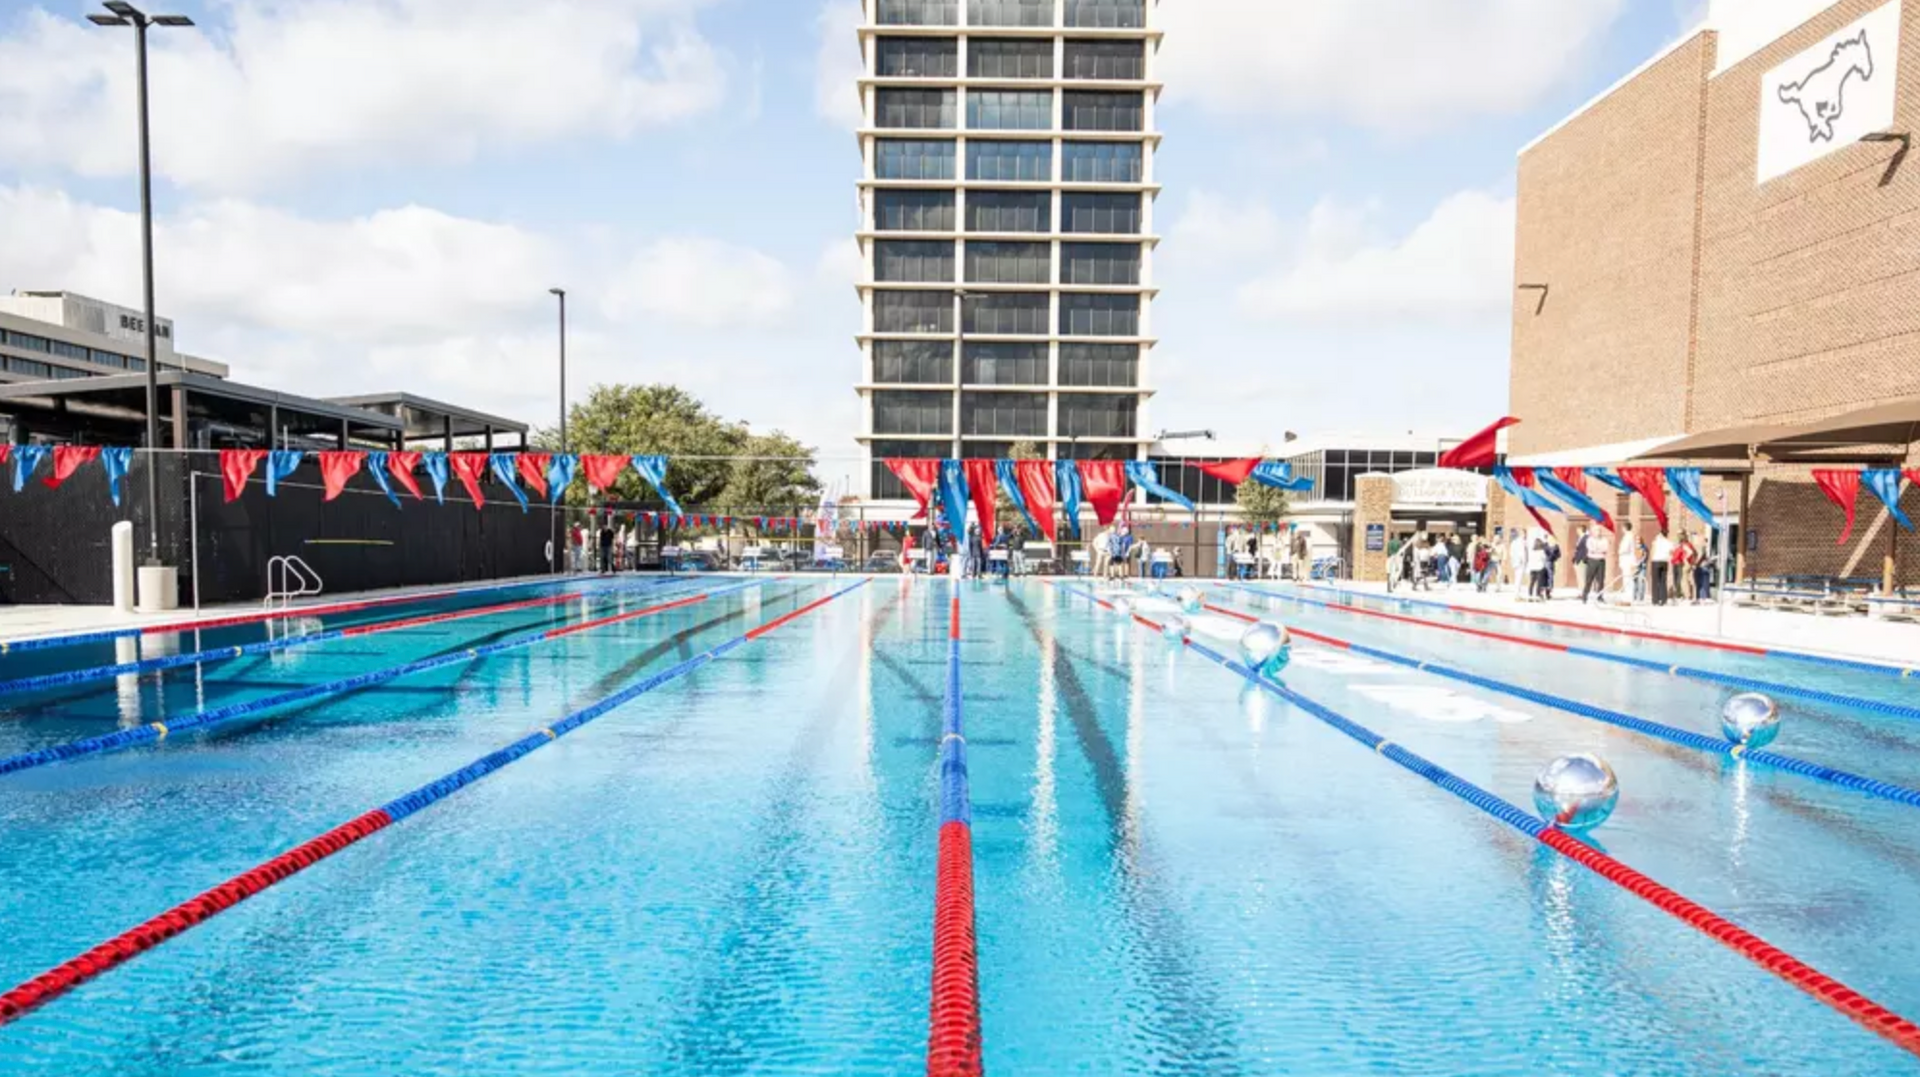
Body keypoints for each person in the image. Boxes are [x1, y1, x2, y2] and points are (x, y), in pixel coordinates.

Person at [1581, 523, 1610, 604]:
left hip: (1601, 561)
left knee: (1601, 580)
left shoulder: (1604, 540)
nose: (1598, 532)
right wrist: (1598, 550)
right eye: (1597, 530)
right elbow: (1591, 549)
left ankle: (1600, 596)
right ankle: (1584, 596)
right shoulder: (1589, 540)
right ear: (1593, 532)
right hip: (1592, 561)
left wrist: (1597, 550)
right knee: (1589, 579)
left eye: (1600, 530)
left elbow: (1605, 549)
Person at [1650, 530, 1674, 606]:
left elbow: (1652, 551)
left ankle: (1655, 600)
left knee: (1655, 581)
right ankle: (1664, 599)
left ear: (1661, 534)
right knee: (1663, 581)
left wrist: (1651, 560)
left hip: (1656, 561)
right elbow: (1671, 553)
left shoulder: (1656, 541)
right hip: (1664, 562)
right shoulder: (1669, 543)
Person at [1673, 532, 1697, 603]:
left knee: (1683, 580)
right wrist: (1693, 562)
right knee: (1689, 579)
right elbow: (1695, 553)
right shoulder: (1689, 544)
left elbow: (1690, 552)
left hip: (1686, 563)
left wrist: (1685, 558)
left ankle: (1687, 596)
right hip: (1690, 563)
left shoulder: (1684, 545)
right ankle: (1691, 595)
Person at [1507, 528, 1530, 597]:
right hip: (1519, 563)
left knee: (1522, 578)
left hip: (1525, 562)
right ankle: (1516, 594)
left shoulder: (1525, 541)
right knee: (1518, 578)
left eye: (1525, 533)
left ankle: (1519, 593)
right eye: (1523, 533)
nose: (1525, 535)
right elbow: (1512, 552)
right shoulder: (1516, 542)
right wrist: (1516, 560)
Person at [1528, 534, 1550, 601]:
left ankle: (1530, 595)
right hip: (1539, 568)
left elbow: (1529, 559)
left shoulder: (1532, 551)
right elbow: (1544, 559)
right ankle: (1537, 595)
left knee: (1532, 582)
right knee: (1539, 583)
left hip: (1532, 568)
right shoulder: (1542, 552)